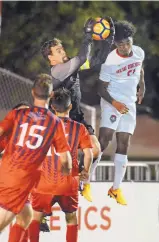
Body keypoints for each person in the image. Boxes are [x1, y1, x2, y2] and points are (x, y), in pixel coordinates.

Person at [40, 17, 115, 201]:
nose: (63, 51)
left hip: (77, 117)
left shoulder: (70, 67)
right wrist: (88, 36)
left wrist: (109, 40)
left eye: (62, 48)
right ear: (51, 58)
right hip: (60, 121)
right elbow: (82, 57)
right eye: (58, 50)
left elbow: (97, 60)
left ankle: (82, 181)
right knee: (55, 166)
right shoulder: (57, 71)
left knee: (96, 150)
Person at [0, 74, 72, 241]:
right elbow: (66, 161)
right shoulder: (54, 122)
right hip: (20, 179)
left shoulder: (18, 114)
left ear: (33, 92)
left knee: (26, 216)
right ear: (51, 95)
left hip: (8, 172)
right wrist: (66, 171)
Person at [18, 88, 93, 242]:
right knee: (71, 219)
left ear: (52, 107)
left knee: (36, 217)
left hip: (44, 182)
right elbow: (89, 153)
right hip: (68, 183)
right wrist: (86, 171)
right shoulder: (79, 128)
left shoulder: (43, 126)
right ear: (70, 107)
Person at [98, 20, 145, 205]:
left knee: (124, 142)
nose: (125, 47)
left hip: (129, 103)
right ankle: (84, 181)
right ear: (114, 44)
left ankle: (116, 188)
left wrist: (142, 85)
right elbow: (101, 89)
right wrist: (115, 103)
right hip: (111, 100)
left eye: (127, 42)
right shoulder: (110, 61)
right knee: (104, 140)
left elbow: (139, 68)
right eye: (120, 44)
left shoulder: (139, 51)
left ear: (131, 39)